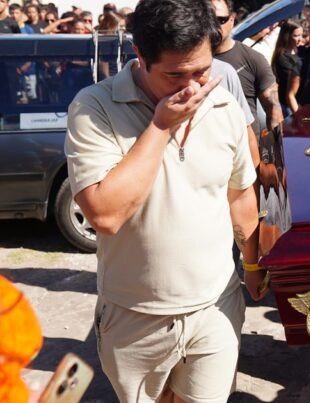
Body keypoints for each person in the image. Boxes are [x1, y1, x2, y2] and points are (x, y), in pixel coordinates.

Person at [64, 0, 267, 400]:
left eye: (203, 71)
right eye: (176, 75)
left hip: (215, 307)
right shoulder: (94, 108)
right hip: (134, 317)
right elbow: (104, 215)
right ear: (140, 56)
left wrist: (254, 263)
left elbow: (240, 197)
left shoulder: (224, 105)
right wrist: (160, 125)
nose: (193, 87)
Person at [212, 0, 282, 133]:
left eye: (221, 20)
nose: (214, 25)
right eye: (209, 19)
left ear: (232, 20)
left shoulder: (252, 58)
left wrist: (276, 148)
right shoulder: (193, 60)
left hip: (248, 146)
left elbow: (274, 108)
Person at [272, 19, 304, 114]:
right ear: (287, 36)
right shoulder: (282, 58)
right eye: (296, 36)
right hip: (289, 105)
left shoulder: (300, 51)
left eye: (301, 35)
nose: (300, 39)